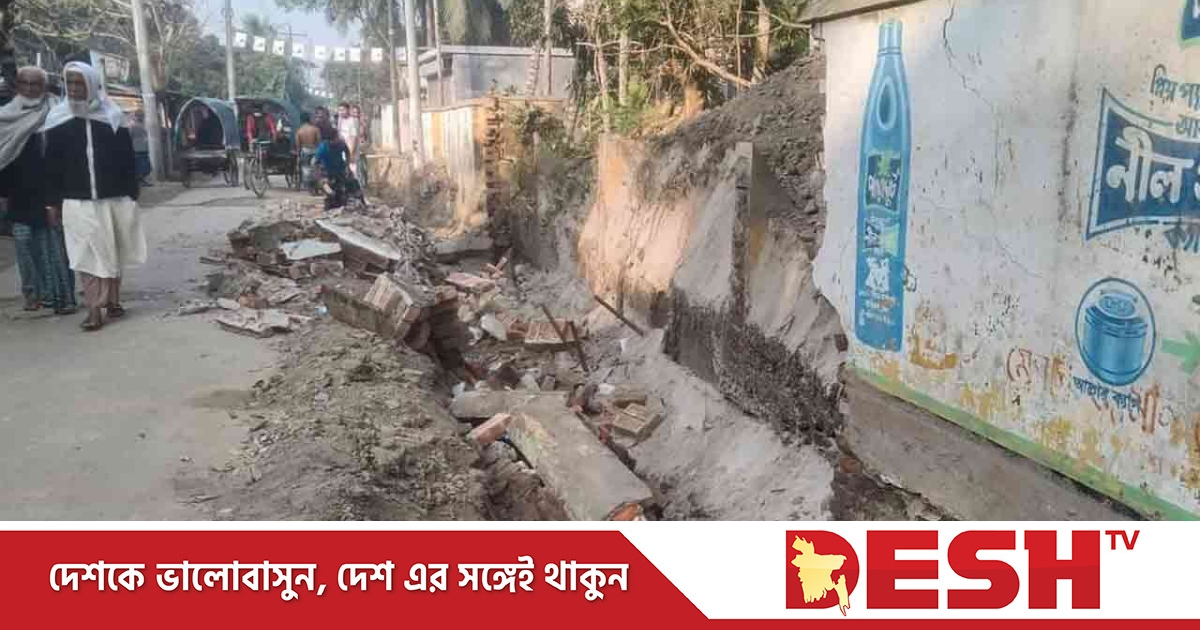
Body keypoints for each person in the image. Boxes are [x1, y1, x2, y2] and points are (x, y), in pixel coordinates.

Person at [43, 62, 146, 332]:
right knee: (85, 254)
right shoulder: (58, 119)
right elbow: (51, 165)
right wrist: (51, 202)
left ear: (91, 84)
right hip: (76, 201)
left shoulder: (113, 118)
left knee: (112, 251)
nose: (74, 88)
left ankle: (113, 301)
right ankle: (93, 309)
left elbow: (127, 161)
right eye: (70, 83)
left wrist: (132, 194)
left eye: (80, 83)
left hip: (113, 199)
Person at [0, 66, 76, 315]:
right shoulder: (5, 115)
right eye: (25, 82)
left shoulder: (58, 111)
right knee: (24, 247)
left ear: (44, 86)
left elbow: (65, 156)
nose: (30, 88)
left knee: (54, 246)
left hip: (50, 191)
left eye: (36, 83)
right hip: (17, 193)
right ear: (17, 85)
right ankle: (33, 294)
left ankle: (61, 296)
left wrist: (62, 194)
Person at [314, 126, 350, 209]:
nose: (338, 138)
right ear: (331, 140)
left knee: (348, 187)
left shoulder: (341, 144)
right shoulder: (323, 148)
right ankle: (329, 197)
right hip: (327, 172)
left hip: (340, 170)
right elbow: (316, 163)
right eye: (337, 137)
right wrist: (319, 177)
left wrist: (347, 166)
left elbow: (347, 153)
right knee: (329, 192)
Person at [296, 113, 321, 190]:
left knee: (306, 168)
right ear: (309, 119)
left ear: (301, 120)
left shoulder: (299, 131)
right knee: (316, 168)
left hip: (305, 151)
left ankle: (308, 185)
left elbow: (298, 145)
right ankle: (316, 185)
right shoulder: (315, 129)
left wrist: (298, 155)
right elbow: (319, 142)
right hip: (315, 150)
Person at [129, 111, 152, 187]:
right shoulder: (132, 126)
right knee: (141, 167)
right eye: (140, 116)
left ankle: (141, 181)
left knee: (145, 167)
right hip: (137, 149)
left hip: (143, 148)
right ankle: (139, 182)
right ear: (136, 117)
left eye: (142, 116)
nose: (142, 117)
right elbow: (130, 137)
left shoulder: (143, 125)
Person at [337, 102, 359, 175]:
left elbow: (353, 138)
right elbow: (339, 133)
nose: (341, 112)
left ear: (348, 110)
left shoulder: (353, 121)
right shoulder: (340, 120)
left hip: (350, 151)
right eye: (339, 110)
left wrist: (350, 154)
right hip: (342, 150)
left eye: (343, 110)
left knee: (352, 172)